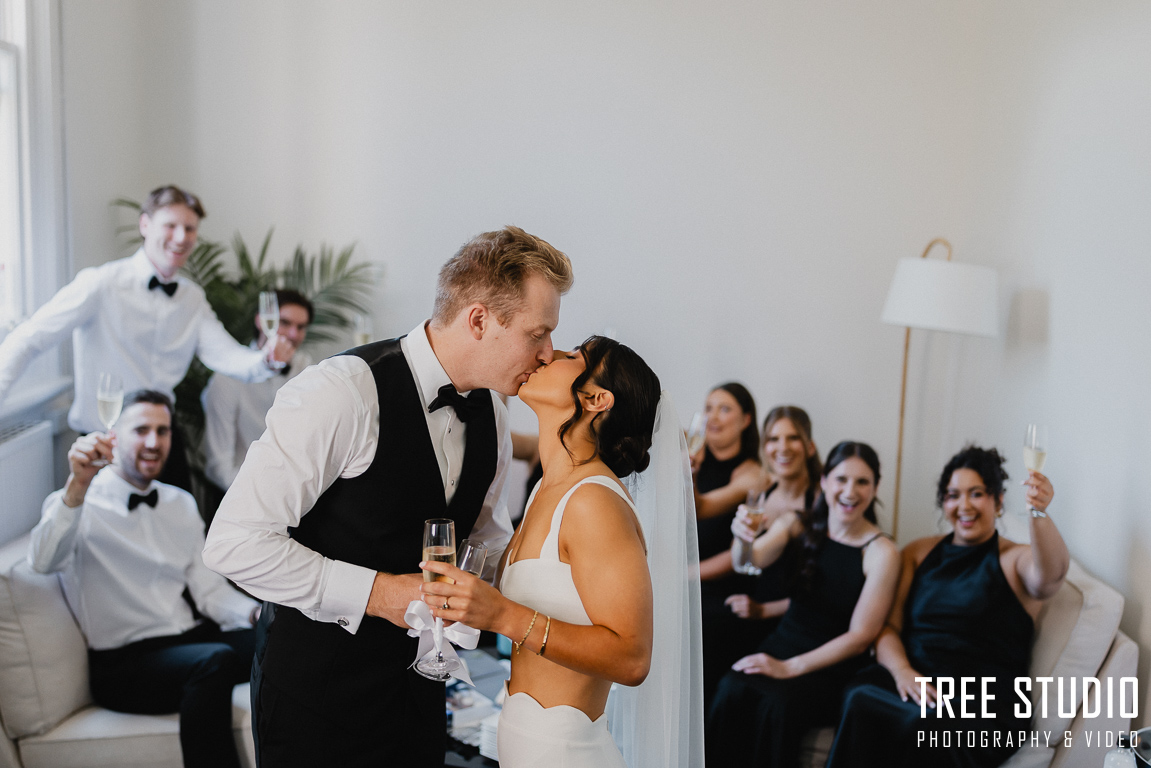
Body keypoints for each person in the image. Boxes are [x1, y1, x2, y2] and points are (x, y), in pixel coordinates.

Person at [202, 226, 573, 768]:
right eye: (537, 334)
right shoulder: (341, 393)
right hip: (314, 700)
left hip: (421, 696)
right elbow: (233, 543)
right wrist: (378, 593)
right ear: (478, 320)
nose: (547, 353)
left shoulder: (493, 412)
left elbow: (487, 538)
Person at [419, 335, 702, 768]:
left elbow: (632, 659)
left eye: (573, 356)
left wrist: (501, 615)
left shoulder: (593, 502)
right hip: (524, 743)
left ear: (594, 399)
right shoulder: (547, 489)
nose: (549, 354)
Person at [0, 185, 297, 488]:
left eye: (190, 228)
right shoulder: (102, 284)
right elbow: (29, 338)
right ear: (145, 224)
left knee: (182, 517)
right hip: (106, 443)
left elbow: (227, 356)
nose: (181, 237)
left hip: (164, 439)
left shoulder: (192, 298)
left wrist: (267, 360)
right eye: (170, 225)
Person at [28, 390, 259, 768]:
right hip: (125, 665)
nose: (154, 442)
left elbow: (208, 591)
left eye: (162, 431)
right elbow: (42, 562)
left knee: (281, 634)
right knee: (213, 662)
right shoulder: (79, 504)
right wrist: (76, 486)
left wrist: (257, 614)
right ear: (114, 437)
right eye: (141, 430)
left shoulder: (180, 503)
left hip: (189, 641)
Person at [825, 446, 1067, 768]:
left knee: (921, 724)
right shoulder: (917, 553)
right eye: (953, 496)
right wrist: (902, 672)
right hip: (917, 679)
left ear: (998, 501)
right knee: (859, 694)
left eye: (976, 493)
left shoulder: (1014, 559)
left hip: (982, 703)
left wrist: (1038, 512)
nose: (964, 506)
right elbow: (888, 628)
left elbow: (1051, 576)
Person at [706, 441, 901, 767]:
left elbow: (860, 638)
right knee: (730, 689)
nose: (850, 491)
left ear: (875, 487)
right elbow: (748, 561)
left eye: (862, 482)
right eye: (841, 479)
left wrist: (789, 668)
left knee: (776, 705)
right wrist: (742, 537)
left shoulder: (881, 552)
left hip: (828, 665)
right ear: (824, 481)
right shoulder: (797, 523)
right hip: (782, 642)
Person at [202, 288, 314, 490]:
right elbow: (220, 466)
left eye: (301, 327)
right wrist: (261, 496)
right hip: (244, 492)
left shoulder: (307, 372)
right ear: (260, 321)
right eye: (285, 323)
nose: (293, 334)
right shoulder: (229, 377)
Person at [692, 382, 762, 706]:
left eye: (724, 409)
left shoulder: (752, 474)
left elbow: (701, 508)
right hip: (686, 574)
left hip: (720, 585)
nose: (713, 417)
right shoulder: (692, 455)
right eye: (708, 408)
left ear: (746, 419)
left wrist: (684, 575)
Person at [722, 406, 822, 631]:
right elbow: (740, 562)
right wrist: (741, 536)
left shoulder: (821, 501)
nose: (783, 447)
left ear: (810, 447)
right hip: (753, 602)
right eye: (773, 439)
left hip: (795, 617)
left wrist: (762, 610)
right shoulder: (762, 493)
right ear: (764, 447)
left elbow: (826, 591)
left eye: (793, 438)